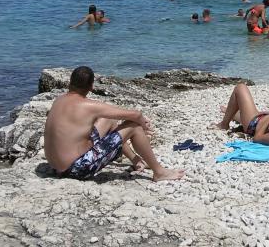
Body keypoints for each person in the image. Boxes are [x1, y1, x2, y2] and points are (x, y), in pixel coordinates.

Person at [44, 66, 184, 181]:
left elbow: (114, 117)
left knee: (109, 120)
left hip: (56, 167)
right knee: (133, 127)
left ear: (70, 82)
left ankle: (136, 160)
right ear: (91, 87)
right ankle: (159, 172)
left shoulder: (59, 100)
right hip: (76, 169)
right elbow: (136, 115)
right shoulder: (89, 106)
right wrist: (143, 124)